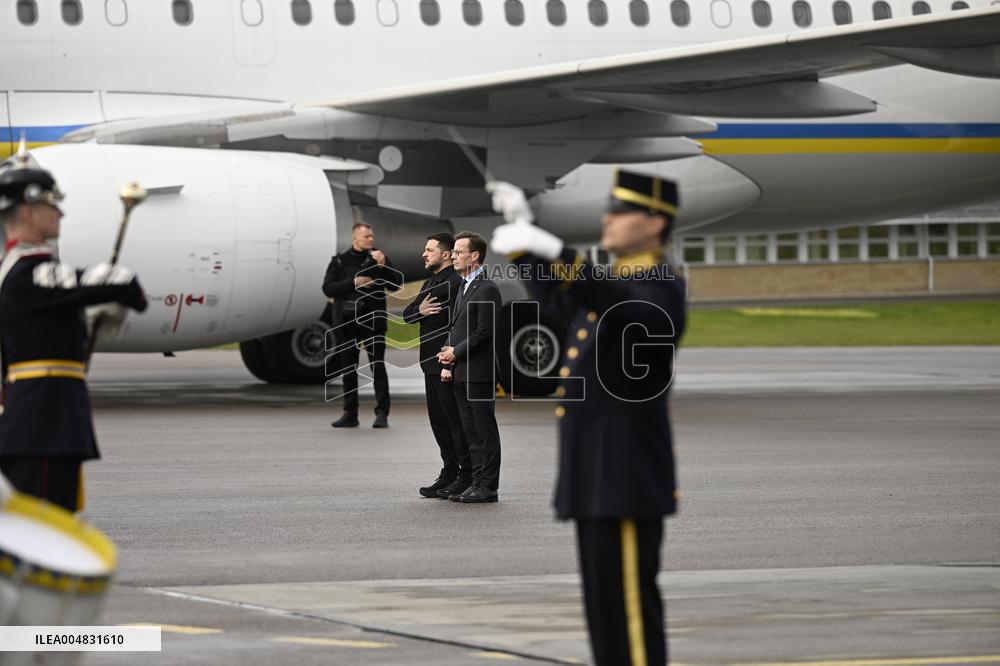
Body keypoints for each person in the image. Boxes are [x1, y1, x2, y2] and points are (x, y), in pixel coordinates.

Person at [489, 170, 686, 666]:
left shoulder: (659, 287)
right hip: (596, 475)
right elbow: (560, 308)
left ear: (656, 223)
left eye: (621, 211)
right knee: (605, 616)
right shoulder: (617, 286)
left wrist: (559, 251)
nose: (608, 219)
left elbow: (621, 309)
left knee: (630, 616)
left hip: (624, 476)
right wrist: (524, 239)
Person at [0, 158, 148, 513]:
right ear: (28, 211)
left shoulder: (19, 273)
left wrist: (81, 314)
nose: (60, 214)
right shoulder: (30, 273)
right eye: (52, 204)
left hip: (38, 416)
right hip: (44, 420)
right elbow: (126, 284)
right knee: (45, 530)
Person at [401, 233, 471, 498]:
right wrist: (419, 310)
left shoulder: (454, 283)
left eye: (429, 250)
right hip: (429, 364)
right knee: (439, 422)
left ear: (445, 254)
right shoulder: (431, 282)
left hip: (445, 364)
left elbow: (458, 326)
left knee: (454, 422)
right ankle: (449, 470)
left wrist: (448, 363)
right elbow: (408, 315)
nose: (423, 254)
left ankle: (465, 474)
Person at [436, 232, 503, 504]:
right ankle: (476, 482)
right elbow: (457, 328)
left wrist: (456, 352)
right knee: (471, 432)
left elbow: (484, 332)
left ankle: (488, 487)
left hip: (479, 372)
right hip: (462, 372)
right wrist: (447, 354)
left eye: (458, 251)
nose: (452, 255)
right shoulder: (464, 286)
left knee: (485, 432)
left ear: (474, 256)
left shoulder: (488, 288)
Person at [322, 222, 402, 429]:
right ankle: (350, 413)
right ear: (355, 238)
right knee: (349, 369)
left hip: (373, 322)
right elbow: (328, 288)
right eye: (366, 236)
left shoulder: (378, 259)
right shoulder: (340, 261)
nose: (370, 239)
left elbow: (395, 285)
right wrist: (354, 282)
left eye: (372, 236)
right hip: (347, 323)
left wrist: (384, 265)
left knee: (378, 367)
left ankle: (382, 413)